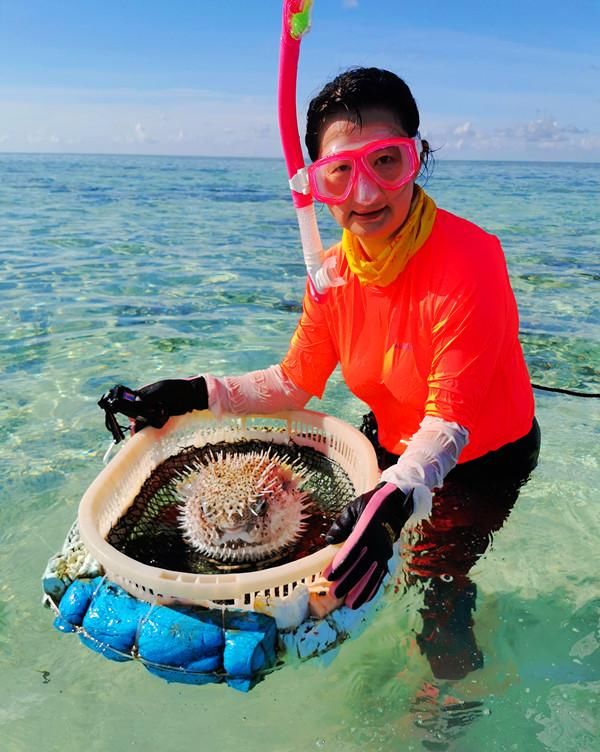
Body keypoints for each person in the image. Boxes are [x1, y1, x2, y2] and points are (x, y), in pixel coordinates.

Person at [115, 69, 540, 654]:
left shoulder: (472, 259)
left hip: (481, 458)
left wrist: (396, 502)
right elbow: (294, 382)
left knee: (436, 581)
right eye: (341, 171)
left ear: (416, 157)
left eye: (385, 161)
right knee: (334, 567)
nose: (365, 194)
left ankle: (444, 711)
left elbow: (451, 420)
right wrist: (197, 391)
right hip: (388, 445)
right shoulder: (333, 275)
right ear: (318, 183)